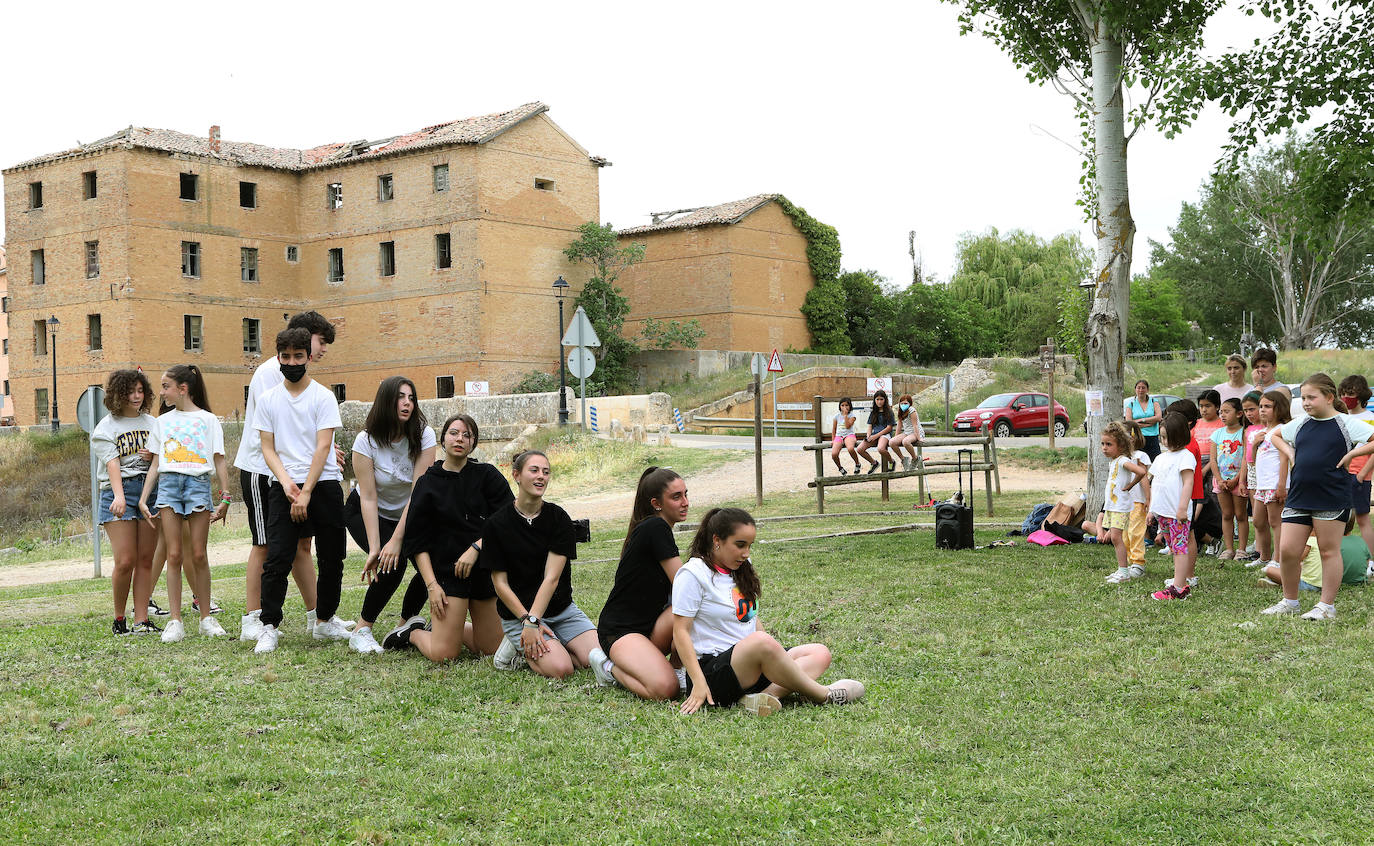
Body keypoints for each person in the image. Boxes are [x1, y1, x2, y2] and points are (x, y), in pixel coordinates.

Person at [672, 507, 865, 715]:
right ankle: (823, 695)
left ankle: (763, 697)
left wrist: (774, 655)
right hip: (713, 674)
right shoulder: (692, 574)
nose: (746, 553)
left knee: (819, 653)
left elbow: (750, 618)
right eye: (740, 545)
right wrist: (699, 683)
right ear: (717, 540)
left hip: (751, 666)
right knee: (762, 641)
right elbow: (680, 632)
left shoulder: (741, 567)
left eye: (749, 546)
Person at [236, 310, 340, 642]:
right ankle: (256, 619)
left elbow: (312, 433)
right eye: (321, 342)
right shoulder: (270, 375)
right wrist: (289, 481)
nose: (321, 350)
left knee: (304, 548)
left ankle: (319, 617)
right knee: (267, 546)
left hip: (305, 477)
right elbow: (276, 435)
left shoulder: (320, 393)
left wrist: (320, 462)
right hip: (266, 471)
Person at [387, 413, 511, 661]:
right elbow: (417, 543)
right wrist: (432, 586)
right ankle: (413, 632)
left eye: (467, 435)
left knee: (490, 650)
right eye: (454, 433)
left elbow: (508, 519)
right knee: (444, 655)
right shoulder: (427, 483)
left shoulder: (487, 475)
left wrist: (476, 547)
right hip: (446, 574)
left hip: (482, 569)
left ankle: (448, 630)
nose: (460, 439)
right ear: (443, 439)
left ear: (473, 443)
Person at [481, 450, 607, 681]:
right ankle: (513, 647)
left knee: (597, 658)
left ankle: (554, 642)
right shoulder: (496, 525)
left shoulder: (558, 519)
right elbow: (500, 584)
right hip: (518, 614)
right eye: (534, 470)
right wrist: (527, 622)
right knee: (562, 669)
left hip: (561, 611)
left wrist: (534, 621)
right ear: (516, 475)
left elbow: (552, 578)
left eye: (546, 472)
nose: (541, 477)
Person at [1261, 373, 1374, 620]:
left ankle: (1326, 607)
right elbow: (1275, 436)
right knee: (1288, 550)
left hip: (1331, 496)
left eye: (1311, 397)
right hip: (1300, 495)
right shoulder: (1300, 423)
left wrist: (1352, 456)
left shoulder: (1346, 423)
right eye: (1303, 398)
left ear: (1329, 397)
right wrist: (1291, 454)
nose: (1306, 403)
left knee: (1328, 551)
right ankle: (1290, 601)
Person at [137, 365, 231, 642]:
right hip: (168, 486)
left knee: (199, 554)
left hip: (198, 485)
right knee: (174, 554)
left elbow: (219, 458)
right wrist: (144, 498)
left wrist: (225, 496)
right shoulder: (162, 422)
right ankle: (175, 621)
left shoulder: (209, 420)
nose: (161, 392)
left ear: (183, 389)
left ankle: (205, 617)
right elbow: (156, 462)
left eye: (166, 386)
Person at [345, 376, 436, 655]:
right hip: (366, 511)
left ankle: (404, 624)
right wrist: (376, 547)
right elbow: (369, 498)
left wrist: (397, 540)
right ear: (386, 401)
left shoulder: (424, 435)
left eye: (411, 397)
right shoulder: (366, 441)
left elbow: (417, 494)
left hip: (410, 510)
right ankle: (362, 630)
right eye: (400, 397)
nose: (407, 403)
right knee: (390, 564)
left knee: (433, 562)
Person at [596, 467, 690, 701]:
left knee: (689, 607)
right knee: (666, 690)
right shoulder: (654, 527)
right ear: (657, 503)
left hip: (651, 628)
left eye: (686, 494)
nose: (685, 502)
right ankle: (607, 667)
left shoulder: (658, 528)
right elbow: (683, 583)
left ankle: (677, 668)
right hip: (621, 632)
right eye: (676, 497)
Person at [92, 369, 161, 635]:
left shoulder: (153, 423)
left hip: (149, 491)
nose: (136, 396)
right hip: (117, 491)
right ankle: (119, 618)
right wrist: (119, 496)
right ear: (117, 395)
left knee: (146, 559)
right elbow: (112, 464)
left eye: (140, 391)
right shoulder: (106, 428)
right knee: (125, 560)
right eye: (130, 391)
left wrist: (152, 456)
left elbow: (161, 459)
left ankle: (141, 620)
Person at [1149, 414, 1199, 601]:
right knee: (1173, 547)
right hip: (1163, 512)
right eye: (1161, 437)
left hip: (1177, 513)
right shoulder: (1161, 458)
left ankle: (1178, 588)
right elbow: (1155, 484)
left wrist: (1182, 508)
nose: (1164, 441)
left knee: (1179, 548)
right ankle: (1179, 581)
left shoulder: (1185, 457)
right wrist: (1151, 511)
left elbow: (1188, 483)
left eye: (1167, 436)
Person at [1095, 422, 1150, 583]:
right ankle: (1122, 570)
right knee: (1118, 538)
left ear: (1121, 445)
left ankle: (1124, 572)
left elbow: (1141, 472)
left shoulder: (1122, 461)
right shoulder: (1113, 461)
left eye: (1109, 444)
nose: (1104, 448)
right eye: (1103, 444)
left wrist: (1131, 485)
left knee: (1117, 538)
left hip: (1120, 507)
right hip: (1113, 506)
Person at [1258, 513, 1368, 591]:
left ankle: (1280, 583)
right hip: (1354, 581)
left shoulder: (1320, 543)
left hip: (1315, 584)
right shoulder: (1360, 541)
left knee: (1270, 570)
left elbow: (1294, 560)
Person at [1248, 390, 1292, 571]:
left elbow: (1284, 459)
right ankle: (1264, 556)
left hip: (1275, 484)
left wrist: (1282, 485)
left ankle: (1277, 559)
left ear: (1279, 408)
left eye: (1268, 406)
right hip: (1262, 484)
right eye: (1261, 406)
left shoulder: (1281, 431)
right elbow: (1253, 460)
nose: (1262, 410)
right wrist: (1255, 445)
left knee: (1276, 522)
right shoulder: (1261, 432)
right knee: (1258, 521)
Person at [1337, 375, 1374, 564]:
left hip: (1360, 474)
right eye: (1342, 394)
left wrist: (1362, 474)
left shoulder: (1370, 418)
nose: (1345, 398)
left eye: (1350, 394)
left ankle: (1372, 562)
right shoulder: (1341, 418)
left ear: (1361, 395)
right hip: (1340, 473)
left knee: (1362, 518)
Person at [1211, 398, 1249, 560]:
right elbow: (1213, 460)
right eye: (1221, 412)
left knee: (1240, 515)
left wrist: (1237, 479)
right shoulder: (1217, 434)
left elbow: (1246, 458)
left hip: (1238, 481)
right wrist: (1219, 479)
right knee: (1226, 515)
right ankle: (1228, 549)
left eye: (1227, 411)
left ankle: (1241, 549)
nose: (1223, 415)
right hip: (1221, 481)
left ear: (1239, 414)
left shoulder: (1244, 433)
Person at [1121, 421, 1152, 572]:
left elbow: (1144, 478)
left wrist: (1148, 498)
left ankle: (1138, 563)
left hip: (1137, 501)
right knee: (1125, 534)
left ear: (1132, 437)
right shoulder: (1120, 458)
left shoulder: (1140, 455)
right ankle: (1129, 562)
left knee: (1136, 532)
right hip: (1123, 503)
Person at [854, 389, 896, 475]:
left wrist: (876, 436)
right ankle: (874, 463)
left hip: (885, 434)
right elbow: (870, 425)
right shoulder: (873, 412)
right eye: (877, 399)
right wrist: (868, 436)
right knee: (859, 449)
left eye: (881, 399)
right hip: (874, 434)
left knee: (880, 449)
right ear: (874, 400)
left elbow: (889, 428)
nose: (879, 401)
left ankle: (891, 461)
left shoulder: (889, 412)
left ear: (885, 400)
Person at [1125, 380, 1163, 459]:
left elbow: (1159, 417)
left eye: (1143, 388)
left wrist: (1142, 420)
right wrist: (1149, 422)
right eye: (1138, 388)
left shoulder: (1153, 402)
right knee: (1139, 463)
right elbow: (1128, 422)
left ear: (1147, 390)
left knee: (1155, 462)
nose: (1141, 390)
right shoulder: (1131, 404)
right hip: (1138, 438)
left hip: (1153, 438)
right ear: (1135, 389)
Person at [889, 393, 926, 472]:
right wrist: (896, 437)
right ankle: (903, 459)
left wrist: (919, 438)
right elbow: (899, 426)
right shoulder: (900, 411)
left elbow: (915, 425)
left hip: (916, 432)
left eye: (905, 403)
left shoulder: (912, 410)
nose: (903, 405)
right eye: (901, 403)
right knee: (892, 442)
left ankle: (915, 458)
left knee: (905, 441)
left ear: (910, 404)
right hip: (907, 433)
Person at [828, 398, 860, 475]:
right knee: (834, 454)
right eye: (842, 405)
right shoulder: (836, 416)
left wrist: (845, 416)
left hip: (849, 435)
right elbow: (834, 429)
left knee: (850, 449)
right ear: (840, 406)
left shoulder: (852, 415)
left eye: (846, 405)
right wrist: (833, 439)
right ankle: (840, 468)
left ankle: (857, 464)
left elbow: (848, 426)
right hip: (839, 436)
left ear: (850, 406)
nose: (844, 407)